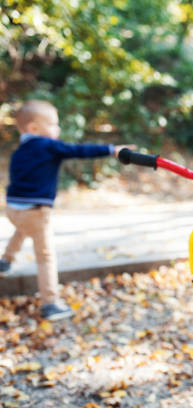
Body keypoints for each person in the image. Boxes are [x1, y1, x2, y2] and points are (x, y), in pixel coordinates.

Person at [0, 100, 135, 321]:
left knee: (23, 228)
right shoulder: (47, 145)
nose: (57, 129)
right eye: (53, 124)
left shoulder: (20, 151)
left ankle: (5, 260)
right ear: (34, 128)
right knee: (45, 257)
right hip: (36, 211)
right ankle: (50, 304)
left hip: (14, 209)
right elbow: (78, 150)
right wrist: (112, 150)